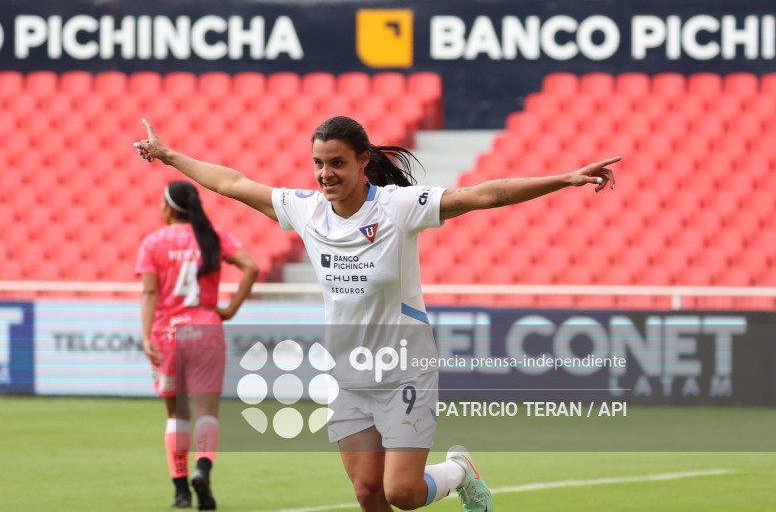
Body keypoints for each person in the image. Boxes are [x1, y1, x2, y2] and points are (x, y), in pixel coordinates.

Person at [135, 116, 619, 512]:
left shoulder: (399, 207)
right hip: (347, 374)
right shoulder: (306, 210)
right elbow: (232, 183)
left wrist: (565, 178)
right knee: (368, 492)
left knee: (401, 492)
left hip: (405, 369)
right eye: (319, 163)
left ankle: (460, 471)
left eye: (337, 163)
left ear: (364, 160)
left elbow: (486, 195)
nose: (325, 174)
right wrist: (169, 155)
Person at [136, 180, 259, 510]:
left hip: (168, 335)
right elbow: (251, 266)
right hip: (206, 332)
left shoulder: (153, 242)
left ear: (168, 208)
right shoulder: (214, 237)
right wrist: (230, 309)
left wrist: (146, 336)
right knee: (206, 411)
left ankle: (180, 491)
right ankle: (202, 470)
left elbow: (149, 292)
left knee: (177, 413)